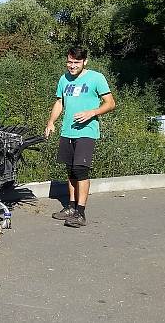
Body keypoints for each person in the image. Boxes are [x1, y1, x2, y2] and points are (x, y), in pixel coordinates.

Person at [44, 46, 115, 228]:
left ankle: (80, 213)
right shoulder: (64, 79)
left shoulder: (96, 78)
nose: (72, 66)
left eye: (76, 62)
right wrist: (51, 122)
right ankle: (71, 207)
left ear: (85, 62)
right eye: (69, 62)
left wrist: (92, 112)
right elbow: (59, 102)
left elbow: (110, 103)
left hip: (87, 131)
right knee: (70, 170)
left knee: (81, 169)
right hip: (67, 131)